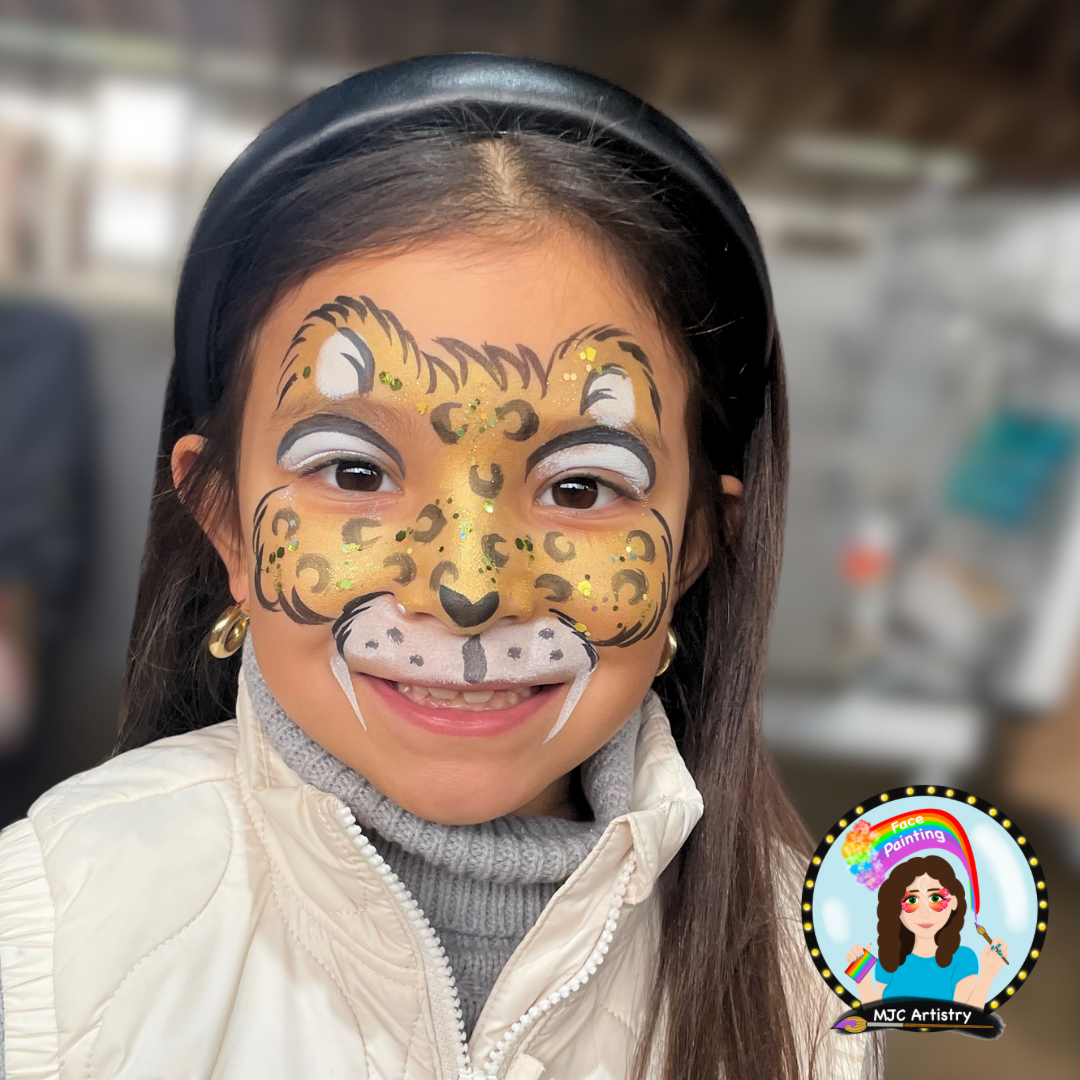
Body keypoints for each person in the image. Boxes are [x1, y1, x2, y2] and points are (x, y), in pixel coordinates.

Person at [0, 56, 874, 1080]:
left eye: (582, 489)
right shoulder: (48, 932)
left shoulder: (812, 961)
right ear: (227, 526)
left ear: (691, 550)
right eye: (355, 469)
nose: (467, 586)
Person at [846, 854, 1009, 1006]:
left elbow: (966, 1018)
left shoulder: (964, 959)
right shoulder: (888, 960)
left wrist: (988, 974)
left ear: (953, 902)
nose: (924, 912)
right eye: (911, 900)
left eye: (935, 898)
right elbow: (877, 1020)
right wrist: (861, 974)